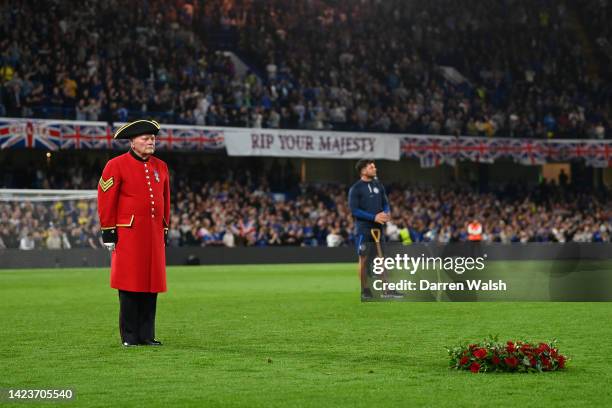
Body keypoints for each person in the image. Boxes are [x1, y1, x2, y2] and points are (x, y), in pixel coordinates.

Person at [97, 119, 170, 347]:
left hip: (153, 234)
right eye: (146, 139)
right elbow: (105, 198)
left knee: (151, 285)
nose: (151, 142)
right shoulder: (115, 165)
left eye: (153, 139)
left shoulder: (161, 166)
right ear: (132, 142)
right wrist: (108, 232)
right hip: (128, 234)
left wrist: (165, 227)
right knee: (129, 285)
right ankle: (130, 337)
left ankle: (147, 336)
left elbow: (166, 200)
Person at [348, 159, 398, 300]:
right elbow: (354, 210)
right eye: (371, 167)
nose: (375, 169)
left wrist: (386, 213)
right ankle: (365, 290)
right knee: (363, 260)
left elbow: (385, 203)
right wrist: (373, 217)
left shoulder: (378, 185)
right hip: (364, 229)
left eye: (374, 167)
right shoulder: (356, 189)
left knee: (381, 260)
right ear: (363, 170)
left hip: (378, 228)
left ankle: (387, 290)